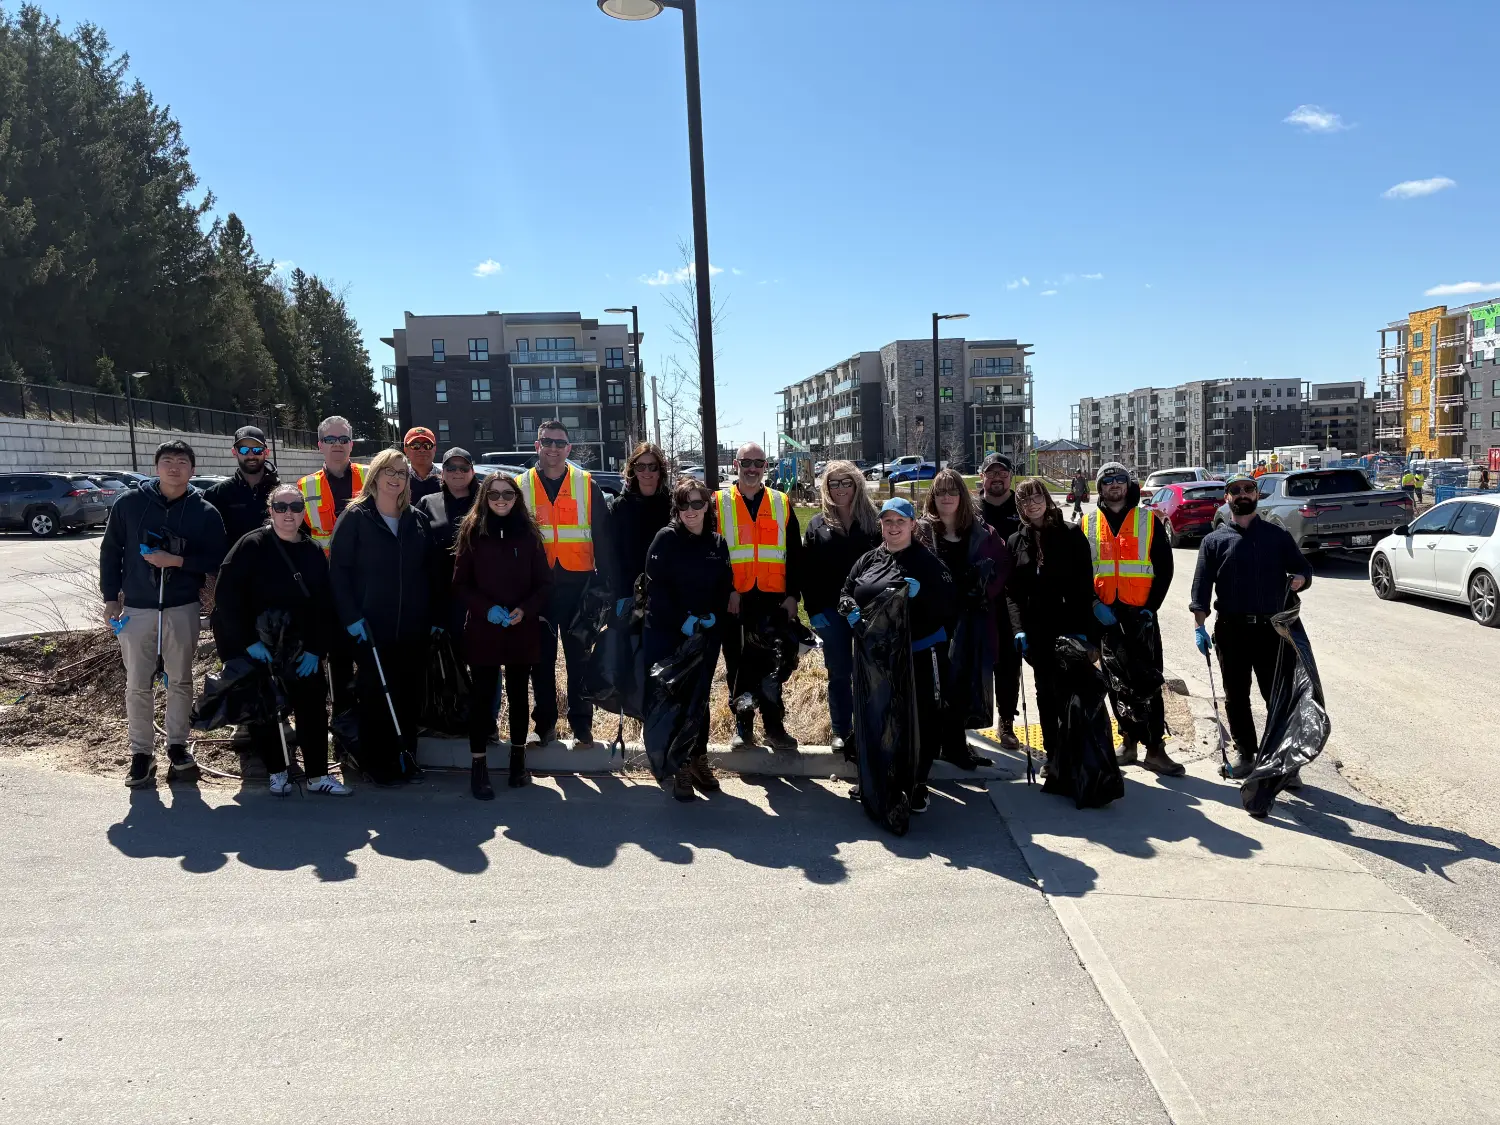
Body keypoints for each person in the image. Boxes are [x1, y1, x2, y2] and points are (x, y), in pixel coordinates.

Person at [100, 440, 228, 787]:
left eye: (182, 462)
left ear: (192, 469)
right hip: (138, 609)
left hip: (181, 608)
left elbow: (217, 561)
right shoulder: (130, 504)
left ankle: (177, 747)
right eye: (167, 461)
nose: (174, 468)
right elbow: (111, 551)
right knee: (138, 684)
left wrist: (177, 562)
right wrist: (111, 597)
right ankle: (141, 754)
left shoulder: (204, 512)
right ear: (155, 466)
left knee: (180, 680)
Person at [210, 482, 350, 796]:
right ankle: (277, 771)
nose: (289, 514)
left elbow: (323, 603)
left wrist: (317, 648)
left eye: (296, 507)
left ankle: (317, 775)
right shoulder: (251, 545)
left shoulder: (312, 549)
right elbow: (227, 596)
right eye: (281, 507)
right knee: (265, 708)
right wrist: (248, 641)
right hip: (261, 644)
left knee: (312, 707)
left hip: (302, 646)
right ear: (271, 510)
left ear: (304, 512)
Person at [327, 449, 443, 785]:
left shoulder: (415, 519)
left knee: (407, 695)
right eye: (389, 471)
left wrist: (433, 615)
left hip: (411, 627)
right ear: (375, 475)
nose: (396, 478)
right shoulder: (356, 517)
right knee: (376, 696)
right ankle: (377, 765)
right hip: (369, 627)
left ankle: (407, 759)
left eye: (402, 473)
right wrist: (350, 617)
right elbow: (339, 572)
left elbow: (429, 574)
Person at [1189, 472, 1312, 781]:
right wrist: (1199, 627)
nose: (1243, 494)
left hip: (1272, 632)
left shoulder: (1276, 536)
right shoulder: (1214, 541)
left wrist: (1301, 579)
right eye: (1236, 490)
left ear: (1257, 496)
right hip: (1231, 631)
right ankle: (1246, 754)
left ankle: (1282, 760)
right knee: (1236, 697)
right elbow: (1201, 589)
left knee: (1276, 697)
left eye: (1248, 489)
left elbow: (1303, 568)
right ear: (1227, 498)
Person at [840, 497, 957, 814]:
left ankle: (917, 783)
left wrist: (923, 597)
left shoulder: (927, 563)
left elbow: (950, 608)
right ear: (880, 524)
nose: (893, 527)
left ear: (912, 525)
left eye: (900, 521)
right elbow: (847, 591)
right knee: (878, 717)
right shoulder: (868, 560)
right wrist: (848, 608)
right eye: (887, 521)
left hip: (918, 653)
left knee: (922, 720)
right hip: (875, 659)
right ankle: (876, 778)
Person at [452, 471, 553, 798]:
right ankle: (478, 767)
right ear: (484, 498)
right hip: (484, 630)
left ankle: (517, 762)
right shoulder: (472, 532)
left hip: (521, 629)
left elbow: (544, 584)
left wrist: (525, 609)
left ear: (516, 498)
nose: (500, 500)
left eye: (507, 495)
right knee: (482, 699)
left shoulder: (529, 533)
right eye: (493, 494)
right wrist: (486, 609)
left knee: (519, 696)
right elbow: (460, 584)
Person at [516, 420, 616, 748]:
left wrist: (608, 586)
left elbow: (603, 538)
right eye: (548, 442)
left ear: (569, 449)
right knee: (540, 661)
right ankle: (543, 726)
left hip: (579, 587)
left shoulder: (586, 484)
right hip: (538, 588)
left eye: (560, 443)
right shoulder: (521, 486)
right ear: (537, 446)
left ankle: (582, 726)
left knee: (579, 659)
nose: (554, 448)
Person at [1085, 461, 1183, 776]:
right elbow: (1080, 572)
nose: (1114, 485)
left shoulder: (1148, 521)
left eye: (1120, 480)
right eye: (1107, 481)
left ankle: (1155, 748)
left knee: (1149, 682)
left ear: (1129, 486)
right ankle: (1128, 741)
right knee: (1116, 684)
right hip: (1106, 616)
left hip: (1139, 617)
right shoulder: (1088, 523)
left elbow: (1164, 569)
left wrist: (1150, 608)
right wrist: (1093, 605)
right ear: (1099, 488)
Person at [644, 478, 733, 802]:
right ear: (677, 508)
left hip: (704, 635)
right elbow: (657, 588)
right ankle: (677, 765)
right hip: (669, 633)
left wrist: (712, 617)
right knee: (675, 701)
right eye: (685, 504)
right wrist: (683, 619)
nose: (691, 511)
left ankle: (698, 758)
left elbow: (724, 586)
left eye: (698, 504)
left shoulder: (716, 543)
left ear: (707, 506)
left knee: (700, 700)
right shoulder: (665, 540)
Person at [1004, 479, 1100, 769]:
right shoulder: (1016, 540)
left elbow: (1085, 587)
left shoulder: (1070, 534)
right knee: (1045, 693)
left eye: (1036, 497)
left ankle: (1078, 752)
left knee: (1071, 693)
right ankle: (1054, 754)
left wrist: (1088, 633)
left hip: (1069, 628)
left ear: (1046, 499)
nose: (1031, 504)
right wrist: (1017, 628)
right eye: (1024, 500)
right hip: (1037, 631)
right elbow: (1013, 592)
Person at [918, 467, 1010, 771]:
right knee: (935, 687)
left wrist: (984, 589)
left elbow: (1002, 566)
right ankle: (935, 746)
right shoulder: (921, 532)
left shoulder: (982, 531)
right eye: (941, 491)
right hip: (932, 623)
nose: (947, 497)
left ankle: (956, 746)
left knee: (962, 685)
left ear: (962, 495)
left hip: (970, 620)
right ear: (933, 496)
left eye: (952, 491)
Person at [719, 441, 804, 751]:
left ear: (765, 467)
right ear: (736, 464)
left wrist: (793, 595)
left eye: (758, 462)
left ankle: (774, 726)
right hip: (736, 600)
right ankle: (743, 727)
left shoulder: (781, 502)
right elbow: (715, 556)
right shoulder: (719, 502)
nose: (752, 468)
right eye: (746, 462)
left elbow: (795, 554)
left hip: (772, 599)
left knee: (772, 665)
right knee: (738, 665)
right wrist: (728, 591)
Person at [802, 460, 880, 754]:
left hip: (869, 612)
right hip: (831, 612)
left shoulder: (874, 521)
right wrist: (813, 611)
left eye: (846, 482)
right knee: (838, 671)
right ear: (826, 487)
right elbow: (806, 573)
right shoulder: (817, 524)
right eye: (833, 483)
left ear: (857, 484)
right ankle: (840, 730)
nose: (840, 488)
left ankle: (869, 727)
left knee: (870, 672)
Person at [298, 415, 363, 713]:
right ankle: (343, 721)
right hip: (328, 587)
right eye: (330, 440)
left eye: (343, 439)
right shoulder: (304, 486)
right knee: (338, 658)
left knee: (369, 657)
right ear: (319, 445)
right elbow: (298, 538)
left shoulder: (371, 476)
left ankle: (370, 717)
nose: (337, 445)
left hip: (367, 584)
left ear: (351, 444)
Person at [976, 452, 1024, 749]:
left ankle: (1006, 722)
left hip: (1014, 598)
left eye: (1002, 473)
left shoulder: (1022, 506)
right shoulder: (970, 508)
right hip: (978, 598)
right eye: (990, 473)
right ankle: (967, 721)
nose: (996, 478)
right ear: (982, 476)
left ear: (1010, 476)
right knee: (973, 662)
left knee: (1009, 663)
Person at [416, 447, 479, 635]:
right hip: (441, 596)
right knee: (449, 661)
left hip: (479, 596)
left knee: (482, 660)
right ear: (442, 473)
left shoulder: (486, 502)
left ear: (472, 471)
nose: (457, 472)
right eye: (451, 468)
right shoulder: (427, 503)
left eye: (463, 467)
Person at [610, 442, 672, 608]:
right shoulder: (620, 507)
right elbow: (613, 554)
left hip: (667, 592)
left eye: (652, 466)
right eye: (640, 466)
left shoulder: (673, 505)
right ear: (633, 470)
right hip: (629, 593)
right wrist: (620, 593)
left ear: (661, 470)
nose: (646, 472)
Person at [203, 425, 280, 550]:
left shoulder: (281, 493)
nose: (250, 455)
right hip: (232, 568)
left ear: (266, 452)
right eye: (244, 450)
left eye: (256, 450)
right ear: (235, 452)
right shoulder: (216, 494)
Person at [404, 427, 442, 504]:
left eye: (427, 445)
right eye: (415, 445)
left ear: (434, 449)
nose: (422, 449)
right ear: (406, 450)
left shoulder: (446, 479)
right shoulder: (399, 479)